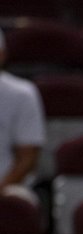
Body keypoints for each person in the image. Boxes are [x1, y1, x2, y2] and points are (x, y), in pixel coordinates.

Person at [0, 29, 44, 205]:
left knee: (20, 202)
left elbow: (28, 157)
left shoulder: (22, 93)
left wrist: (2, 187)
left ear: (2, 55)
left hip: (6, 188)